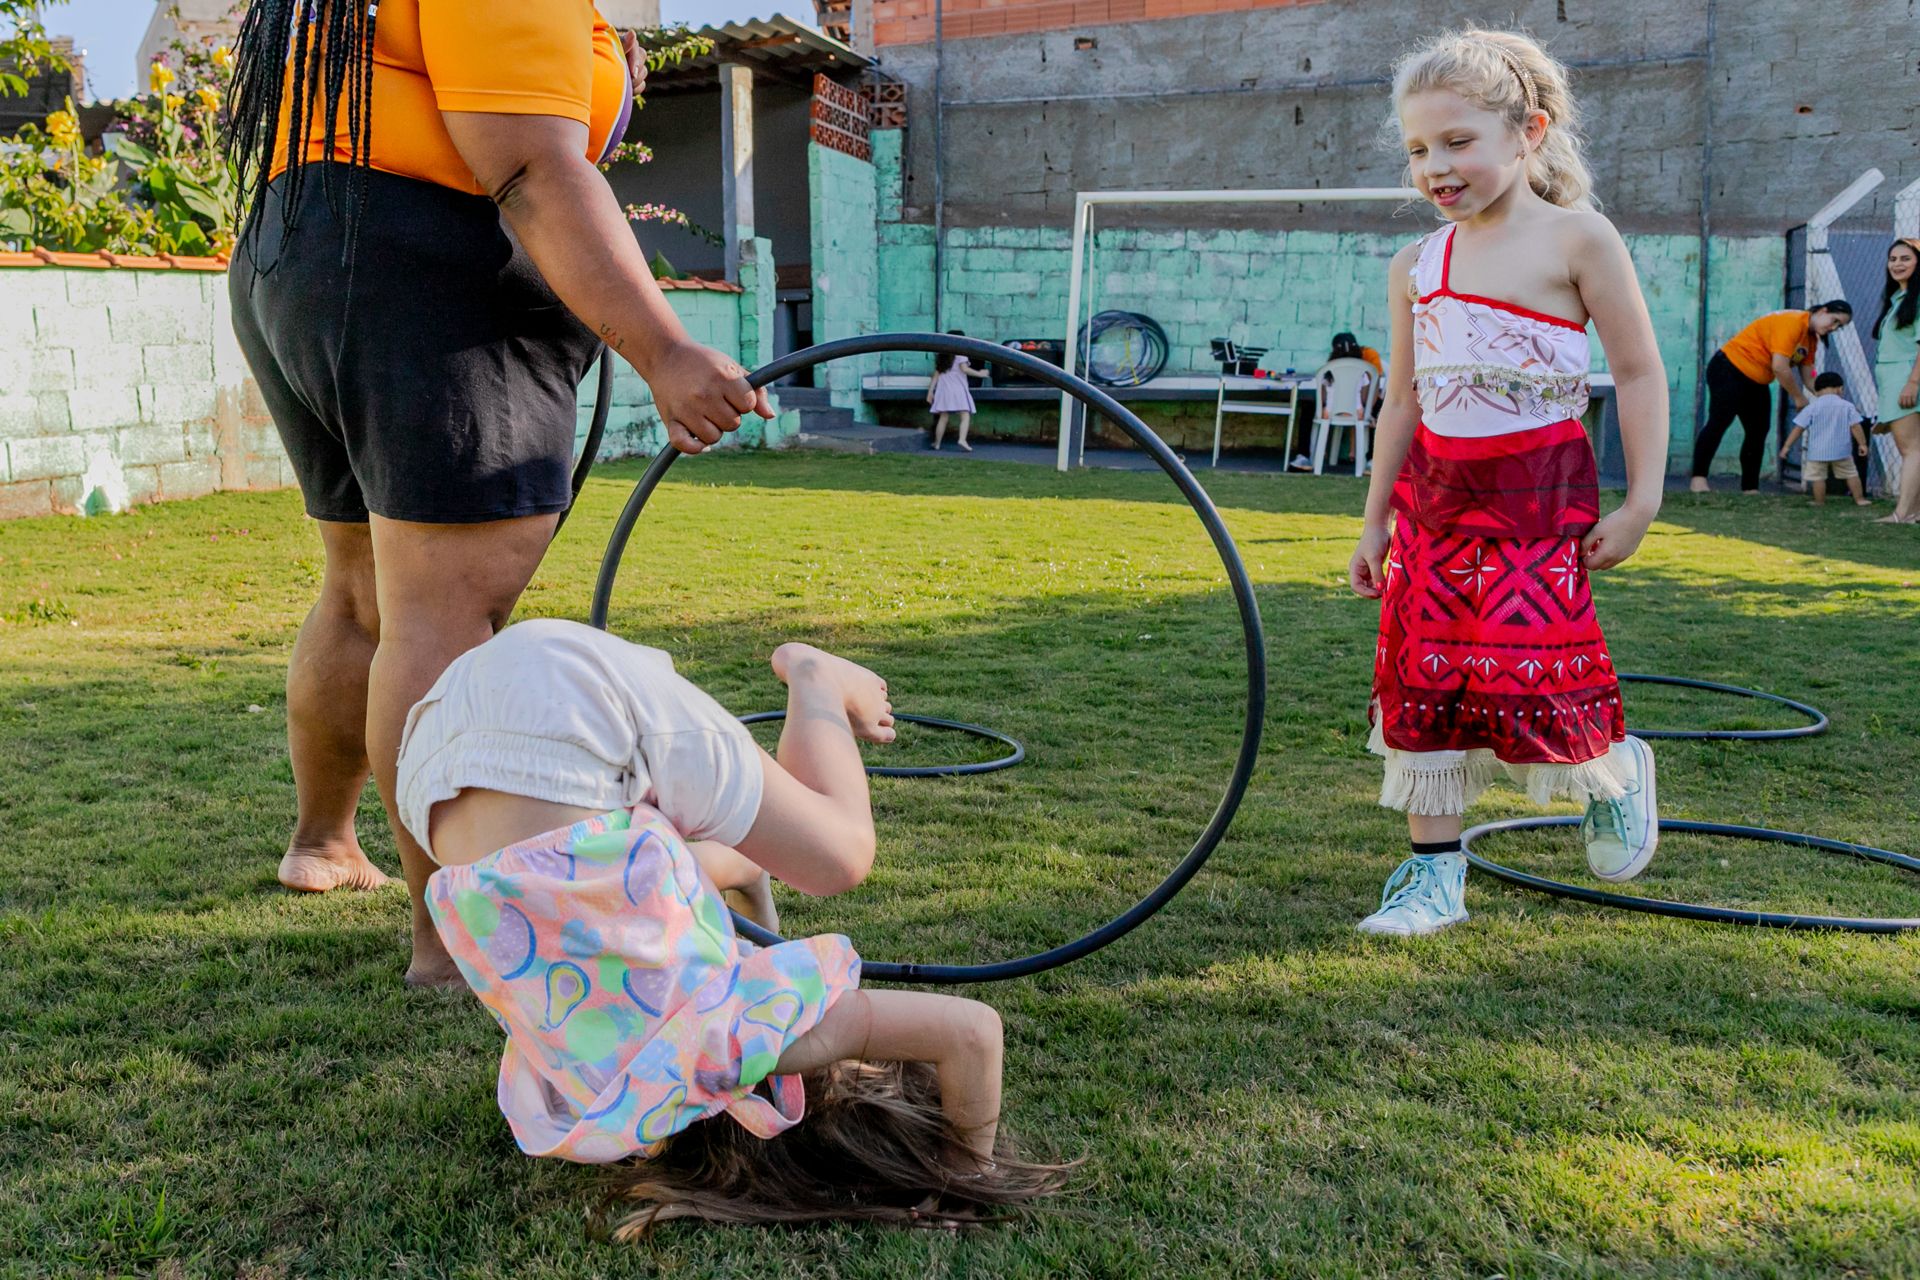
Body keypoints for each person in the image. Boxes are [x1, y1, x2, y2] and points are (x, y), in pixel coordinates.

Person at [224, 0, 774, 986]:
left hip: (304, 247)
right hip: (425, 270)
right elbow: (528, 166)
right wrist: (666, 348)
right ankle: (448, 937)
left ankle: (324, 841)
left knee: (363, 591)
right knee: (443, 614)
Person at [396, 619, 1071, 1230]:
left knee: (839, 854)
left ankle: (816, 678)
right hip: (434, 765)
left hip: (567, 707)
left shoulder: (748, 1045)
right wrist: (755, 911)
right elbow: (663, 895)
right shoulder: (590, 1093)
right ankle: (811, 691)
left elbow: (974, 1032)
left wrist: (965, 1172)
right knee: (646, 871)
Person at [1347, 29, 1668, 936]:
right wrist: (1374, 524)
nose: (1435, 168)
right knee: (1427, 685)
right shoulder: (1416, 267)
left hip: (1539, 504)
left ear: (1527, 132)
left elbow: (1639, 373)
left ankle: (1613, 772)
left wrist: (1642, 499)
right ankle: (1433, 877)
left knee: (1538, 681)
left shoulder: (1579, 239)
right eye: (1417, 149)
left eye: (1457, 143)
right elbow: (1401, 402)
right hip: (1434, 511)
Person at [1689, 301, 1854, 494]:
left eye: (1839, 326)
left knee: (1758, 430)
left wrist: (1829, 396)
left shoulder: (1810, 340)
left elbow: (1808, 374)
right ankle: (1698, 480)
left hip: (1757, 380)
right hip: (1730, 368)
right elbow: (1779, 366)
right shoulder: (1793, 322)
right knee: (1719, 421)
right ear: (1823, 310)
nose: (1833, 328)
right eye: (1834, 320)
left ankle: (1750, 488)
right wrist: (1798, 398)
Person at [1870, 239, 1920, 523]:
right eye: (1893, 259)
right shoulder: (1897, 299)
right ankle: (1914, 512)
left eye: (1905, 258)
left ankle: (1901, 513)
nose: (1897, 264)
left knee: (1910, 449)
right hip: (1895, 379)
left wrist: (1912, 383)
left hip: (1905, 378)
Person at [1778, 372, 1871, 507]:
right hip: (1842, 450)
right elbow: (1856, 426)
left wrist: (1787, 446)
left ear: (1817, 391)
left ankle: (1819, 501)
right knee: (1851, 474)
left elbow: (1798, 428)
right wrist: (1862, 444)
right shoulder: (1847, 406)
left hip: (1817, 451)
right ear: (1839, 388)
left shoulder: (1812, 407)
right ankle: (1860, 499)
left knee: (1818, 477)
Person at [928, 330, 990, 451]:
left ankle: (937, 443)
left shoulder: (942, 356)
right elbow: (964, 369)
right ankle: (962, 439)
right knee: (965, 415)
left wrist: (930, 392)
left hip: (943, 390)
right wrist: (980, 374)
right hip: (957, 389)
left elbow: (936, 375)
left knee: (943, 417)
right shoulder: (961, 354)